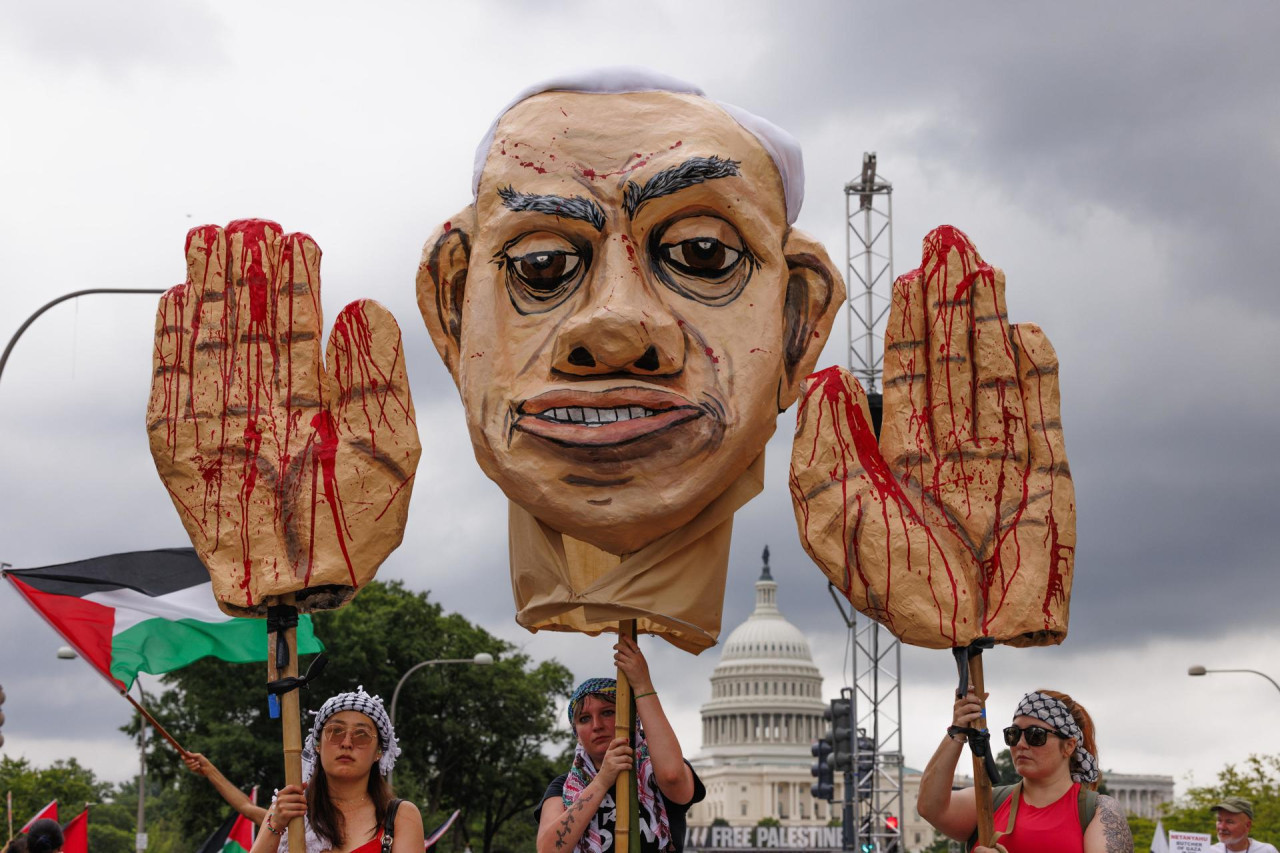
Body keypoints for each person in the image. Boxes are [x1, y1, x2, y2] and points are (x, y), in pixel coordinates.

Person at [535, 635, 705, 852]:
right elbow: (548, 849)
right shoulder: (562, 788)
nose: (597, 725)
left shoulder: (656, 773)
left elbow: (674, 778)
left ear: (631, 719)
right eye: (584, 719)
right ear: (576, 733)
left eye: (608, 713)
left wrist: (642, 685)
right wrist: (601, 781)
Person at [917, 688, 1132, 853]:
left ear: (1068, 746)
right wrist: (958, 730)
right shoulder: (988, 803)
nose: (1020, 743)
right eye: (1013, 734)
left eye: (1035, 735)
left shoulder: (1098, 811)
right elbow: (930, 807)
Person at [254, 688, 424, 853]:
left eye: (361, 735)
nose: (346, 743)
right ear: (317, 744)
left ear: (378, 752)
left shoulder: (400, 816)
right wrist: (275, 826)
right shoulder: (290, 807)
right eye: (335, 731)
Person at [183, 751, 268, 824]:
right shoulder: (276, 822)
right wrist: (208, 769)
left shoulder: (277, 824)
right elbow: (246, 807)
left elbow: (246, 808)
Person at [1210, 797, 1278, 853]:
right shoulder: (1208, 851)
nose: (1221, 827)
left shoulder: (1267, 851)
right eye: (1219, 820)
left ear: (1248, 825)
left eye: (1229, 822)